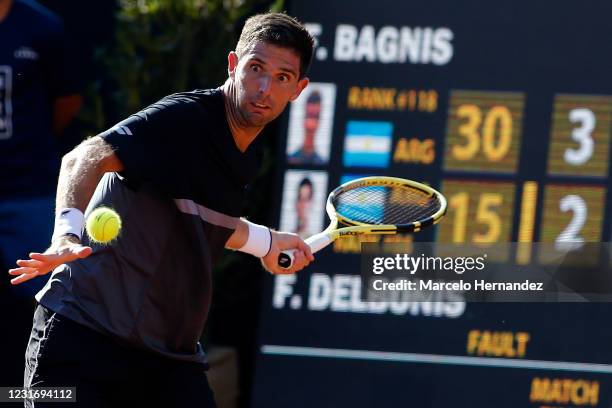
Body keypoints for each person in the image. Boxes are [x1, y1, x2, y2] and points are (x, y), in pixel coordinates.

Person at [9, 12, 315, 407]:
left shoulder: (247, 153)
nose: (263, 87)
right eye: (256, 68)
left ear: (298, 88)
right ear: (233, 65)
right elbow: (82, 158)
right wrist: (67, 233)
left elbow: (203, 217)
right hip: (83, 338)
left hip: (166, 361)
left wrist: (266, 242)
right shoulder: (181, 119)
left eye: (282, 77)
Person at [287, 89, 325, 165]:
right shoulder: (290, 159)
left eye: (315, 117)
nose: (311, 123)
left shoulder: (322, 162)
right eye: (309, 116)